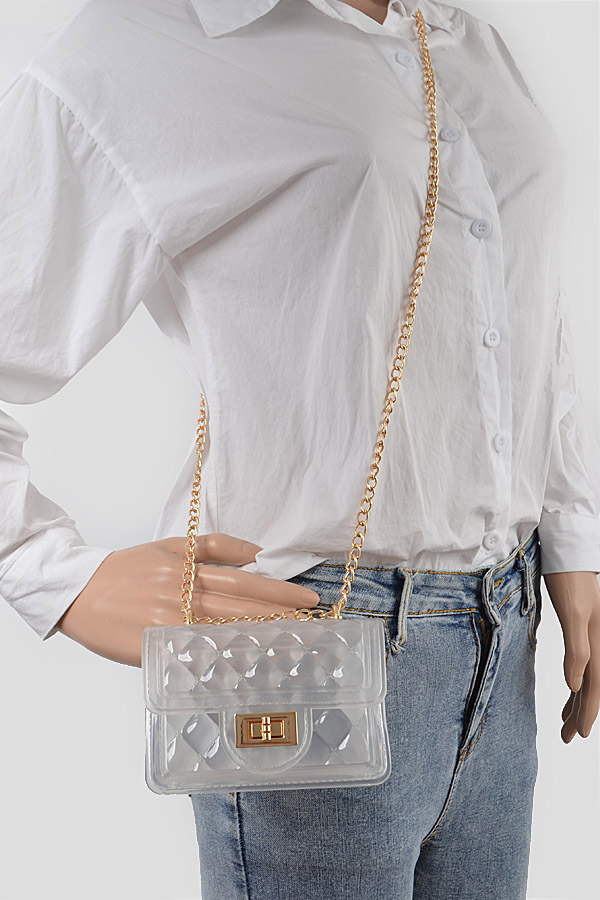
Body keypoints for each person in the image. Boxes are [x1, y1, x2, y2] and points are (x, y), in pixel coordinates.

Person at [1, 0, 599, 897]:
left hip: (507, 629)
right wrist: (54, 575)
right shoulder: (141, 46)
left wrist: (572, 533)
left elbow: (526, 307)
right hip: (303, 634)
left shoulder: (463, 37)